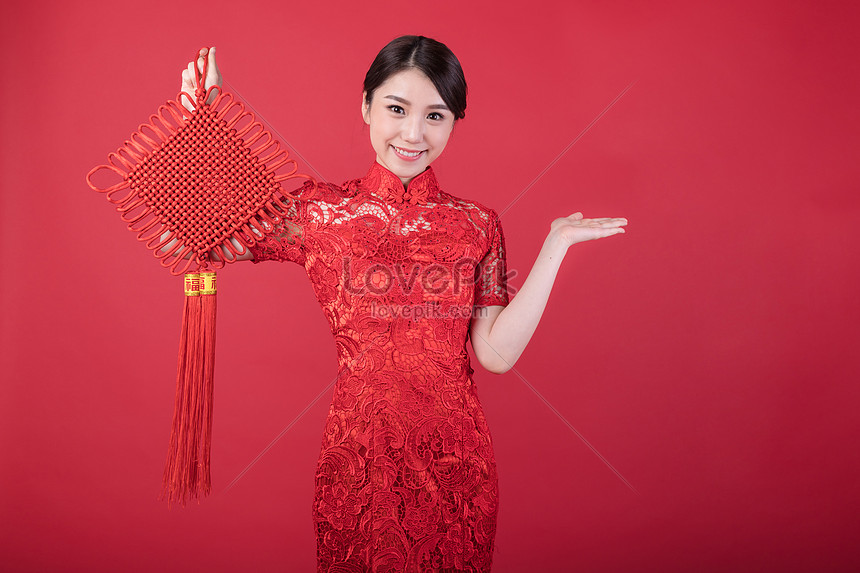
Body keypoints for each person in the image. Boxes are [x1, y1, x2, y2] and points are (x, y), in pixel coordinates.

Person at [181, 37, 627, 572]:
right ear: (366, 105)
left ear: (454, 122)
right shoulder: (320, 212)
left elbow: (495, 355)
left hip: (456, 465)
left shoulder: (476, 224)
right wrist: (202, 132)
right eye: (397, 109)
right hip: (358, 459)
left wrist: (555, 245)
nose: (414, 134)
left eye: (435, 116)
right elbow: (202, 235)